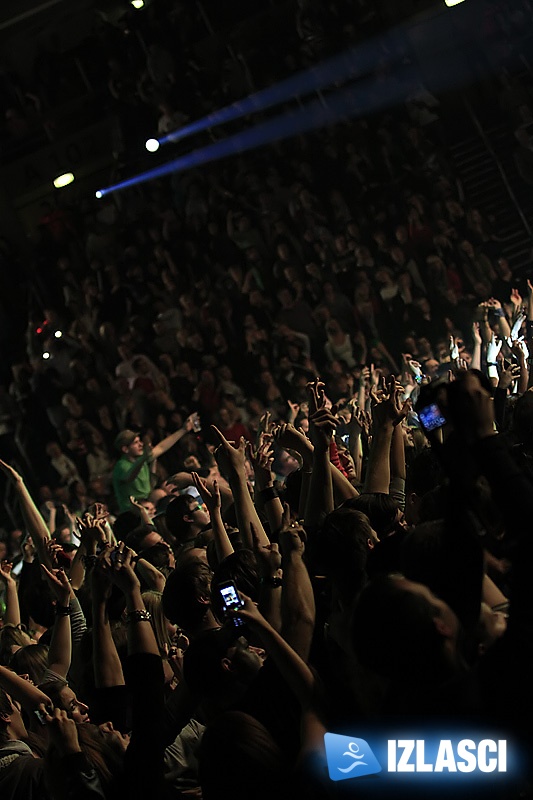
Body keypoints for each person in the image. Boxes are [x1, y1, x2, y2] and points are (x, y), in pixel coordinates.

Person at [112, 413, 198, 513]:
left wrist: (183, 430)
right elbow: (130, 476)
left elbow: (161, 447)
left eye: (140, 441)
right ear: (125, 449)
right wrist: (144, 458)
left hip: (147, 501)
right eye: (136, 443)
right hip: (131, 509)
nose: (141, 444)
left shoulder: (140, 459)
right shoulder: (121, 465)